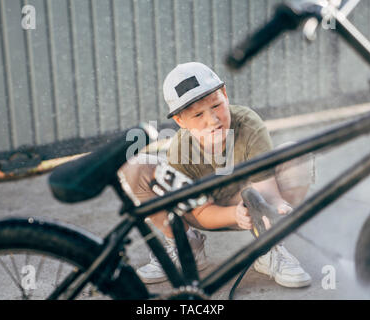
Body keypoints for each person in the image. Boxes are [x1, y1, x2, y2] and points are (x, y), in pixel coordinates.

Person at [119, 62, 315, 288]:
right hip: (205, 209)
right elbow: (200, 211)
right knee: (137, 167)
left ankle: (270, 247)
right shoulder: (180, 149)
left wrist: (278, 208)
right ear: (180, 121)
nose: (212, 120)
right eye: (198, 114)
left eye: (216, 106)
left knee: (297, 152)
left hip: (254, 197)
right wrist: (235, 214)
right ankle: (186, 249)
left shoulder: (248, 123)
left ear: (224, 94)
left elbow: (266, 190)